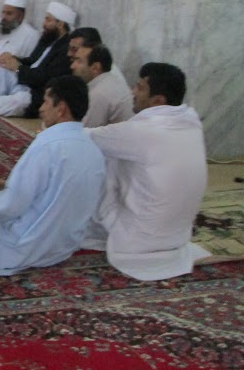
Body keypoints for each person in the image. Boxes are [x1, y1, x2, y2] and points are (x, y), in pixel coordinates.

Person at [0, 75, 105, 276]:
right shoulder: (94, 151)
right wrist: (5, 185)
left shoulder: (47, 145)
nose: (41, 109)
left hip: (17, 249)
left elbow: (8, 207)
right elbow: (57, 194)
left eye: (46, 102)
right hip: (60, 250)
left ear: (61, 108)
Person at [83, 63, 210, 281]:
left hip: (135, 242)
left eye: (140, 88)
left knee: (97, 157)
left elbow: (85, 138)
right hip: (178, 238)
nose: (132, 92)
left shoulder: (141, 131)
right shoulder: (190, 122)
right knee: (120, 154)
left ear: (158, 101)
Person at [0, 1, 76, 117]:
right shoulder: (47, 39)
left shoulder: (65, 49)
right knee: (3, 66)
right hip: (25, 79)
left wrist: (18, 68)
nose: (44, 24)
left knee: (19, 102)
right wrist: (13, 59)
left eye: (48, 20)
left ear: (60, 24)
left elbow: (43, 77)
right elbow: (31, 61)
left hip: (37, 91)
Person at [70, 44, 133, 128]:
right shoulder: (110, 81)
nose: (72, 66)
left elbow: (84, 130)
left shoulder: (99, 94)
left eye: (79, 61)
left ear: (95, 68)